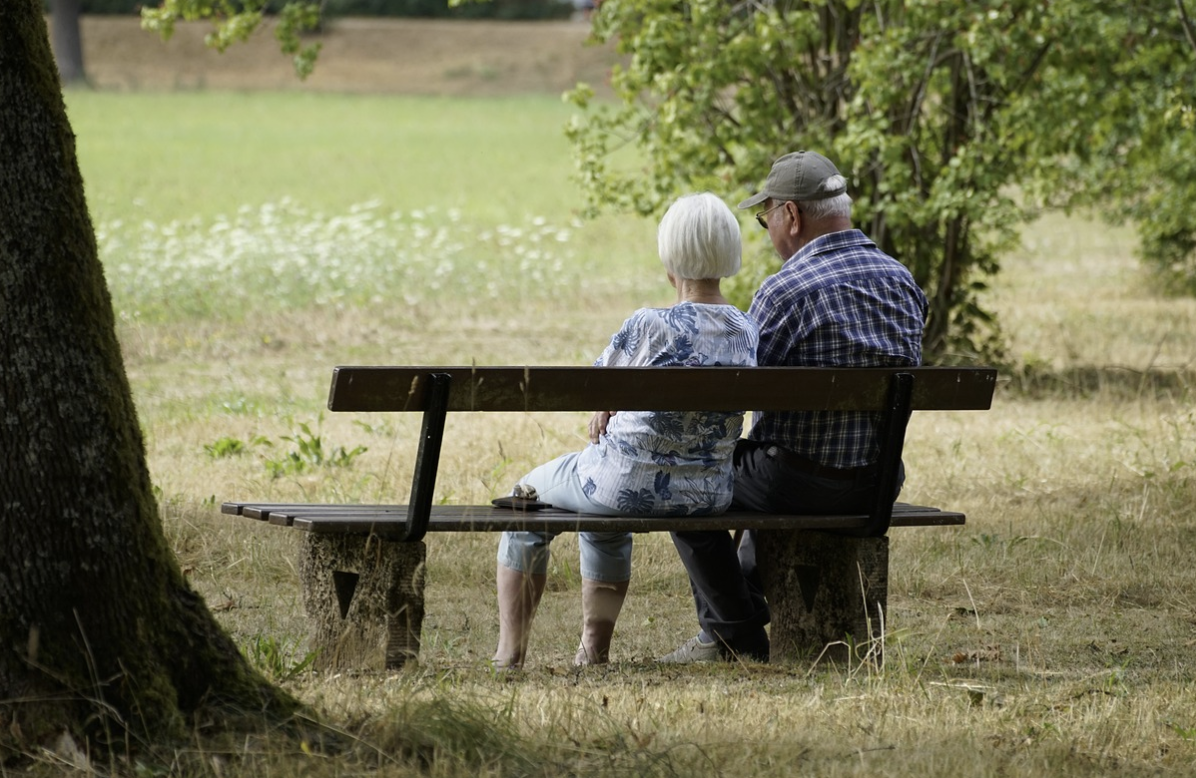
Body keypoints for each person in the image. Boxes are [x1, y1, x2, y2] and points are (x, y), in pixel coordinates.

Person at [660, 151, 929, 664]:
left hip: (797, 483)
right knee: (766, 460)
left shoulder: (784, 292)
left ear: (791, 215)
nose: (768, 231)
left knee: (685, 477)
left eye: (766, 220)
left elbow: (738, 395)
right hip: (877, 482)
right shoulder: (903, 282)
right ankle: (742, 610)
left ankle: (734, 634)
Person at [492, 192, 759, 669]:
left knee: (525, 498)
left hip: (623, 485)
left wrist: (606, 405)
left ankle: (509, 654)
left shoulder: (649, 325)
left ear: (670, 256)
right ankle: (593, 652)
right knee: (600, 511)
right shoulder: (746, 329)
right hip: (706, 493)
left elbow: (592, 386)